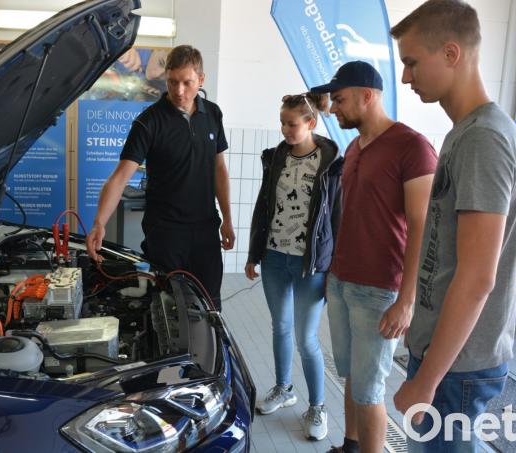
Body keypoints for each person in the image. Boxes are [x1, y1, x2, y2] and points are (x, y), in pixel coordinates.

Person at [389, 1, 516, 451]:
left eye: (411, 63)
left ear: (451, 53)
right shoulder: (467, 132)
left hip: (456, 369)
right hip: (447, 357)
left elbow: (476, 279)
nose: (406, 77)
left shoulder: (485, 139)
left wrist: (427, 381)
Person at [310, 61, 437, 453]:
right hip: (343, 280)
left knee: (369, 389)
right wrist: (333, 277)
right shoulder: (353, 147)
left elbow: (421, 226)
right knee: (351, 375)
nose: (332, 109)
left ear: (368, 96)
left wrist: (407, 300)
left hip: (381, 289)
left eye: (340, 99)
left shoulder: (412, 147)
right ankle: (350, 445)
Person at [85, 45, 234, 309]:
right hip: (165, 234)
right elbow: (120, 177)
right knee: (168, 309)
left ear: (201, 80)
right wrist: (99, 222)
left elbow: (219, 168)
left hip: (205, 231)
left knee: (210, 306)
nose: (179, 91)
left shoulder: (213, 114)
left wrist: (228, 219)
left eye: (187, 83)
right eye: (172, 82)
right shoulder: (149, 123)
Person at [245, 92, 343, 441]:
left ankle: (318, 406)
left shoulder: (331, 163)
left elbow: (337, 220)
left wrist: (333, 270)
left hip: (310, 264)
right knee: (280, 328)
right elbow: (263, 205)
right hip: (274, 257)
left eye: (293, 123)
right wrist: (254, 253)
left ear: (310, 123)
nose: (286, 129)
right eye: (283, 122)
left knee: (306, 338)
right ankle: (284, 389)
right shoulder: (275, 159)